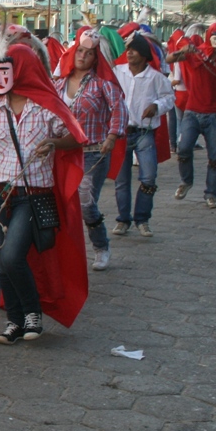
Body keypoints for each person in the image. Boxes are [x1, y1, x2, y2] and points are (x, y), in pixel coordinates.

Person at [0, 41, 88, 344]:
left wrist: (55, 143)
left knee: (12, 256)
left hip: (33, 194)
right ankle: (13, 321)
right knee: (1, 261)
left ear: (22, 69)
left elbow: (76, 137)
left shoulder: (46, 107)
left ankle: (32, 313)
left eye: (5, 69)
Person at [54, 27, 129, 272]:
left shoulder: (102, 84)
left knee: (86, 203)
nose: (83, 56)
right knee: (59, 204)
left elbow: (119, 108)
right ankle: (61, 252)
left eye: (89, 53)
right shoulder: (58, 83)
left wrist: (112, 135)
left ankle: (101, 246)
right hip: (60, 152)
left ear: (96, 58)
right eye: (80, 51)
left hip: (92, 151)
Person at [112, 33, 175, 237]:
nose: (129, 52)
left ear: (145, 54)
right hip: (121, 132)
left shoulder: (155, 78)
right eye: (128, 48)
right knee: (121, 180)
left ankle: (142, 218)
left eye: (135, 49)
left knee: (148, 177)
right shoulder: (117, 72)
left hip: (143, 133)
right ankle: (123, 219)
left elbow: (169, 98)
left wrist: (156, 106)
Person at [166, 18, 216, 208]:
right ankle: (186, 181)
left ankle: (211, 194)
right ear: (208, 37)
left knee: (215, 158)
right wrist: (183, 50)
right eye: (214, 37)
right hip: (193, 111)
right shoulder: (198, 53)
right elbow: (169, 59)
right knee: (184, 148)